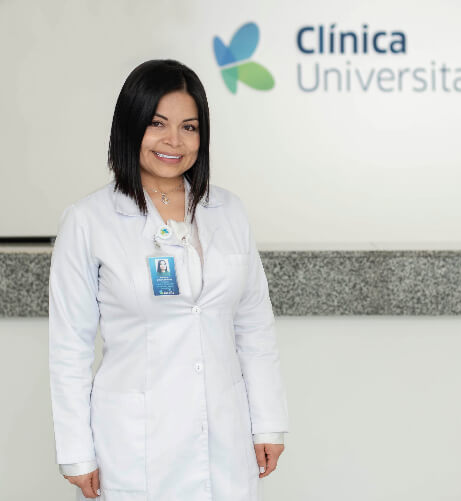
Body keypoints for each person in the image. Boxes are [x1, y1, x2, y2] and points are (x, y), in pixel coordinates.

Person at [48, 59, 289, 500]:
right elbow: (70, 346)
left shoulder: (228, 211)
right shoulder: (89, 221)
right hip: (136, 444)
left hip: (225, 436)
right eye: (157, 124)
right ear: (130, 126)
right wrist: (76, 452)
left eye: (189, 127)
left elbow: (254, 325)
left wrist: (268, 420)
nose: (174, 141)